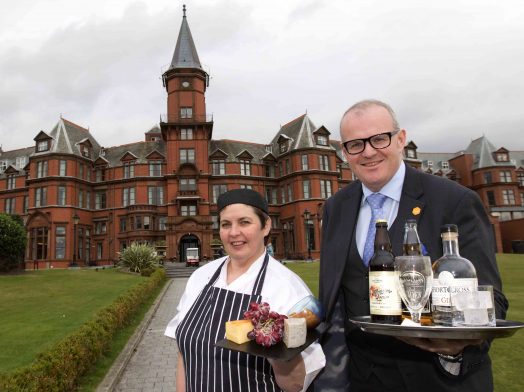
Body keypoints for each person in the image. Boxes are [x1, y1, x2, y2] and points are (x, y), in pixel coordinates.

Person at [312, 100, 508, 392]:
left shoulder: (455, 201)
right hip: (360, 378)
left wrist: (452, 346)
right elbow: (332, 297)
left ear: (400, 139)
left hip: (437, 379)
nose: (368, 152)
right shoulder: (336, 208)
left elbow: (492, 301)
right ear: (344, 153)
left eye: (379, 139)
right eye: (355, 144)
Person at [165, 188, 326, 391]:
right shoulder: (201, 276)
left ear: (265, 226)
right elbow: (184, 354)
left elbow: (295, 385)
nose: (234, 233)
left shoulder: (287, 287)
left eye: (244, 222)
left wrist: (279, 346)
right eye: (226, 224)